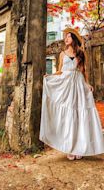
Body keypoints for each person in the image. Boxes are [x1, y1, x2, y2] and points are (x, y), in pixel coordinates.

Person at [40, 28, 104, 160]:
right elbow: (59, 71)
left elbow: (82, 71)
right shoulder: (62, 54)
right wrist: (50, 76)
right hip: (66, 86)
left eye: (69, 37)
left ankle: (79, 147)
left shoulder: (80, 53)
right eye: (65, 37)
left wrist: (87, 84)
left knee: (79, 114)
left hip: (79, 85)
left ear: (73, 39)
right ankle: (70, 147)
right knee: (68, 115)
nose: (66, 39)